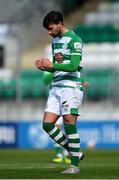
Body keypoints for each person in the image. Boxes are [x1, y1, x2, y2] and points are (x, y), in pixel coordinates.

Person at [35, 10, 84, 174]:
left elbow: (73, 66)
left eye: (50, 28)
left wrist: (52, 66)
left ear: (59, 24)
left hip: (70, 87)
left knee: (69, 123)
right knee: (47, 124)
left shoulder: (75, 40)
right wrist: (45, 66)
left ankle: (74, 166)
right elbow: (58, 64)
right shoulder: (55, 40)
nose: (49, 32)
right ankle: (76, 151)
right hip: (56, 86)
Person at [43, 72, 84, 164]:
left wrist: (84, 81)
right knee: (56, 127)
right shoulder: (49, 62)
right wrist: (54, 70)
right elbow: (45, 80)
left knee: (68, 128)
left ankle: (67, 155)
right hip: (55, 96)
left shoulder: (63, 60)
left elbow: (75, 68)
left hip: (68, 94)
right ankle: (60, 155)